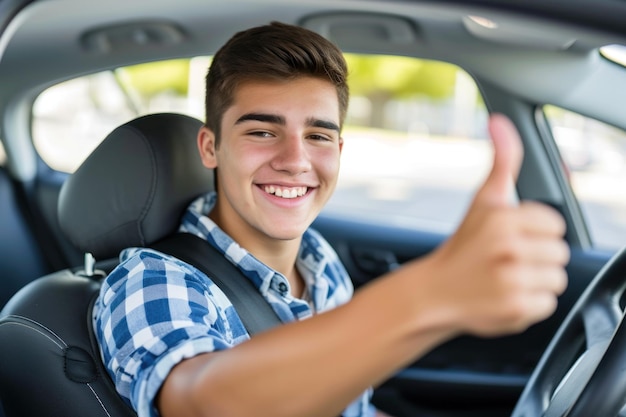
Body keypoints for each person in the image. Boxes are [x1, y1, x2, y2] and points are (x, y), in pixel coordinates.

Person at [93, 21, 569, 417]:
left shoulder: (320, 263)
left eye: (318, 137)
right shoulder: (153, 280)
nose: (295, 160)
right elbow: (203, 401)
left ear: (339, 149)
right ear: (211, 147)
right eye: (262, 131)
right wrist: (432, 292)